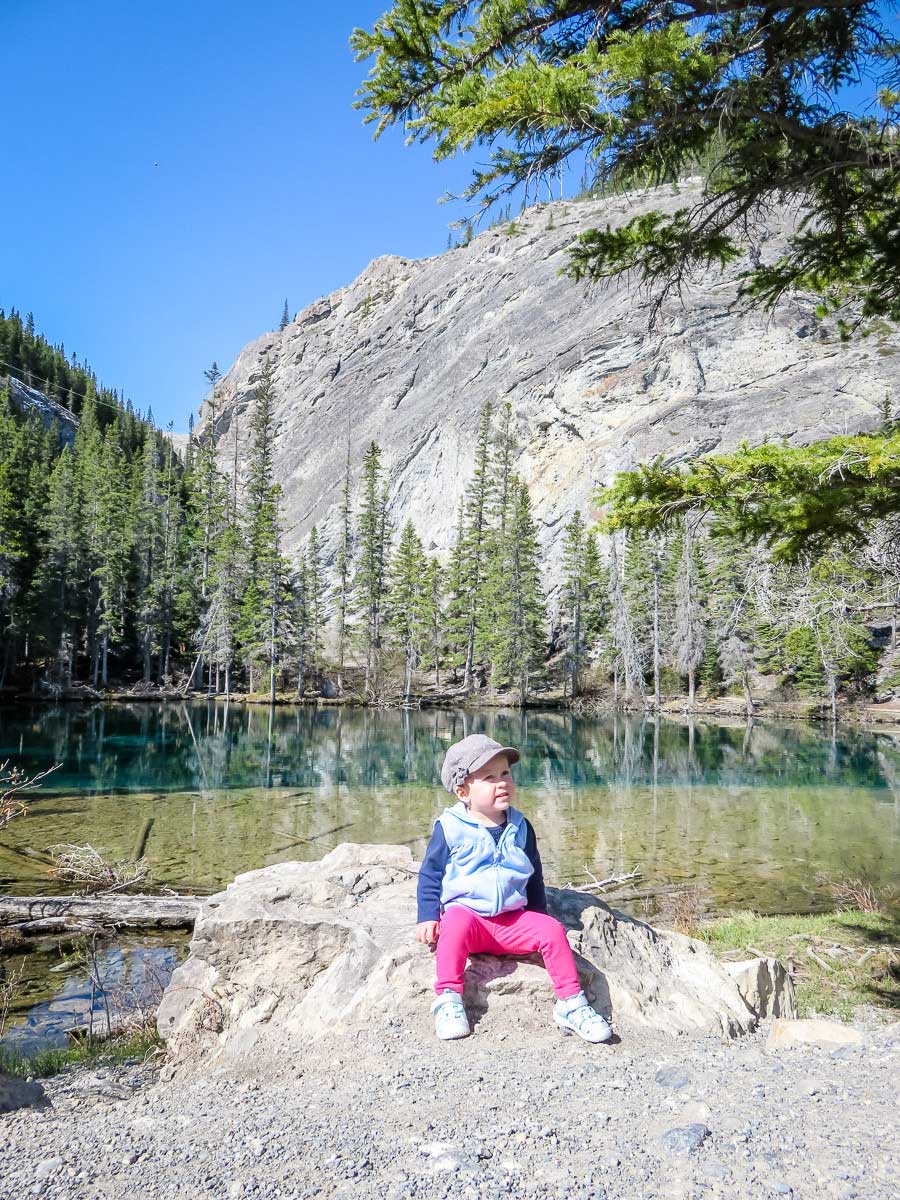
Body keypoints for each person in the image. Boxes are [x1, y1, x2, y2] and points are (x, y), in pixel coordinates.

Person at [417, 734, 613, 1043]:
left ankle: (571, 1004)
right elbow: (430, 874)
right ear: (463, 791)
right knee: (452, 922)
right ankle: (449, 999)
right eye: (489, 778)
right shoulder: (450, 827)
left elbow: (534, 877)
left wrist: (535, 919)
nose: (502, 783)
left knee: (551, 930)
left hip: (511, 921)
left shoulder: (521, 826)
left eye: (506, 774)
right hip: (470, 920)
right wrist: (427, 916)